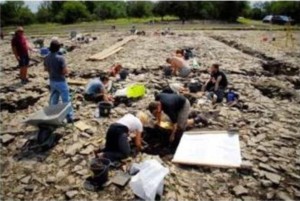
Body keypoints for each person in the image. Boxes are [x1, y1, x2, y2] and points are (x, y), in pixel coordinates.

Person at [44, 39, 74, 123]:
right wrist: (65, 72)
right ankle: (69, 117)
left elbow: (46, 69)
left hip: (52, 81)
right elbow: (64, 71)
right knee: (66, 100)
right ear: (58, 48)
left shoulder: (46, 57)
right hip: (61, 81)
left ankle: (53, 115)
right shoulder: (61, 58)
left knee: (54, 99)